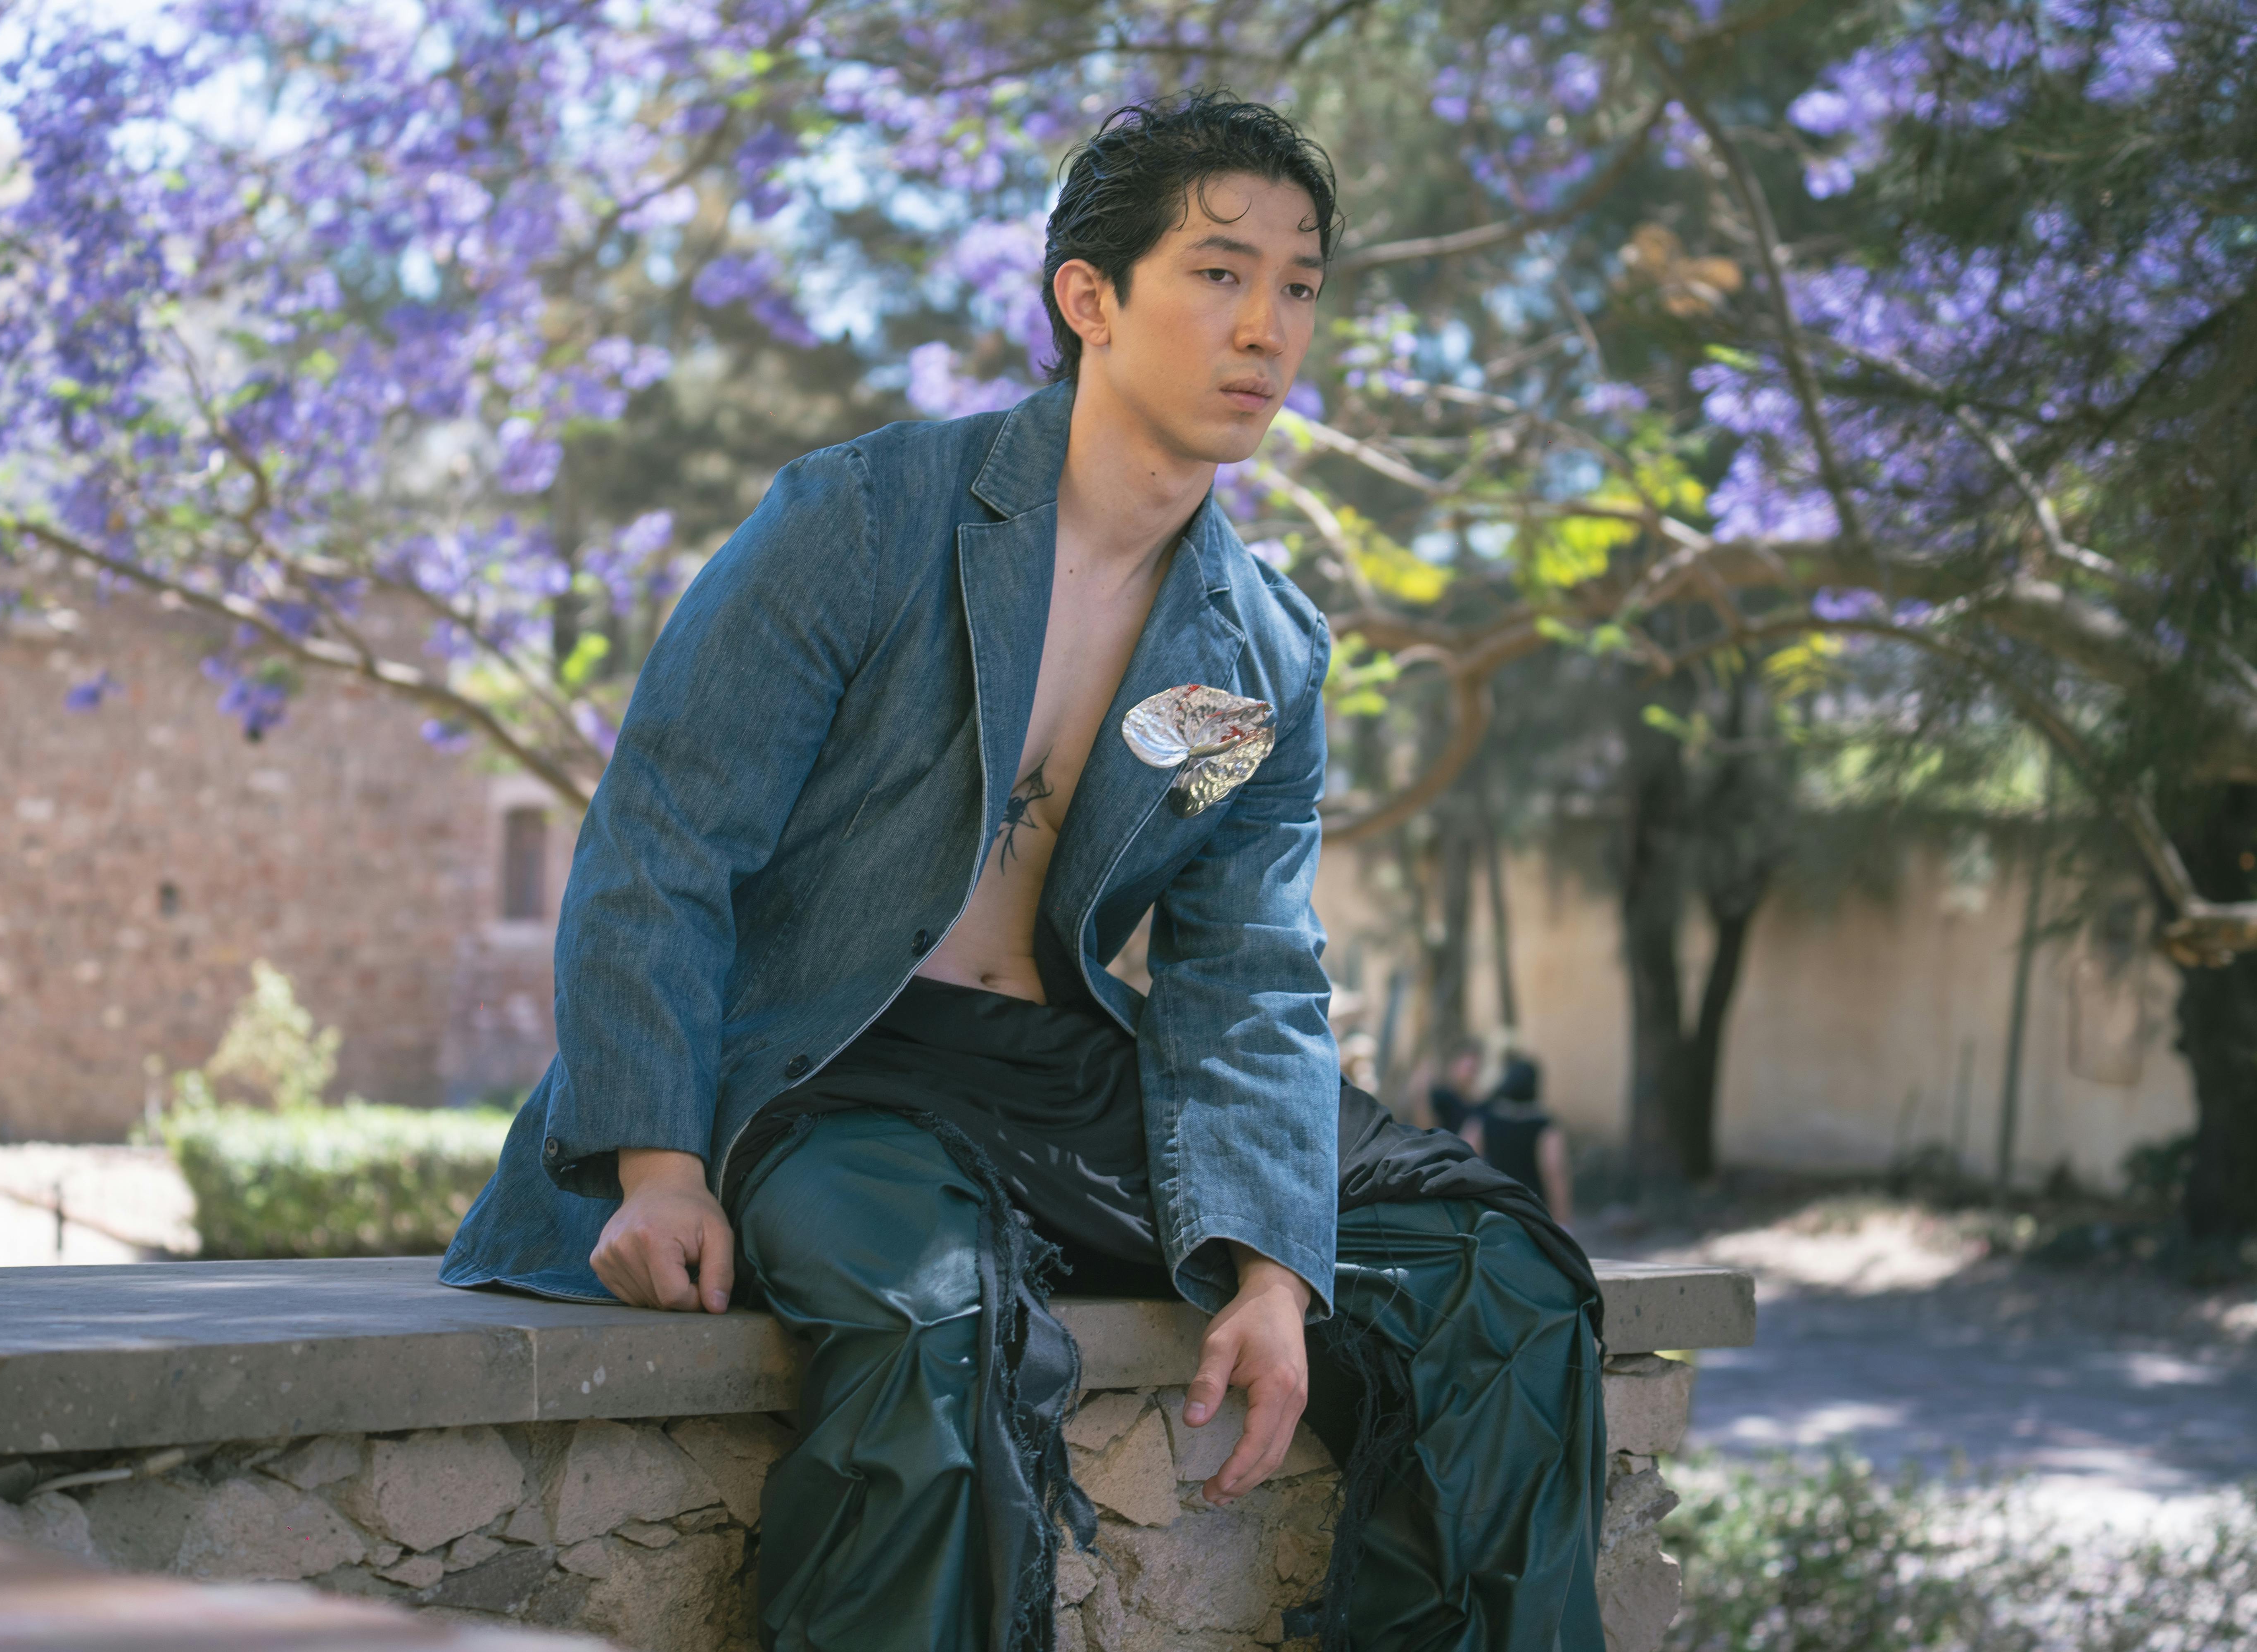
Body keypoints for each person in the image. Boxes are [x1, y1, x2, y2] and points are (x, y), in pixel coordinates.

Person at [441, 90, 1605, 1652]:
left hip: (1042, 1067)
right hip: (818, 1063)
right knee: (934, 1313)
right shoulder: (863, 516)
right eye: (1217, 273)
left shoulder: (1263, 648)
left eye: (1299, 285)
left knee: (1495, 1276)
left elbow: (1245, 969)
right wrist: (656, 1164)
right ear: (1089, 299)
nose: (1265, 326)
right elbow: (663, 841)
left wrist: (1275, 1266)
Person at [1463, 1054, 1576, 1222]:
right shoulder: (1545, 1126)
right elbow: (1554, 1171)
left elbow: (1465, 1157)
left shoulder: (1484, 1118)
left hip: (1491, 1208)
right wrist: (1562, 1220)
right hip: (1532, 1213)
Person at [1424, 1039, 1486, 1135]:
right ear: (1455, 1066)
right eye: (1470, 1069)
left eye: (1475, 1070)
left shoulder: (1473, 1107)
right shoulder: (1440, 1098)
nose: (1472, 1076)